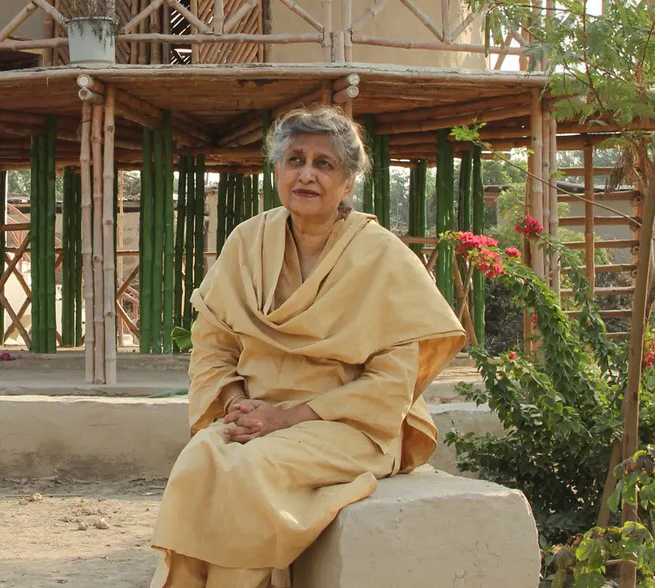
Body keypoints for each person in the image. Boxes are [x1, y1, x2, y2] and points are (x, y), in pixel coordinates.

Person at [150, 107, 465, 588]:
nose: (307, 174)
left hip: (347, 424)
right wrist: (237, 405)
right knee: (199, 461)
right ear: (276, 170)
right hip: (255, 415)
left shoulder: (381, 255)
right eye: (294, 159)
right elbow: (212, 344)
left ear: (348, 182)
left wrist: (290, 417)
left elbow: (392, 384)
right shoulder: (247, 243)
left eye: (324, 164)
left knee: (250, 472)